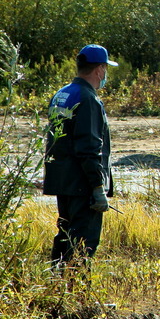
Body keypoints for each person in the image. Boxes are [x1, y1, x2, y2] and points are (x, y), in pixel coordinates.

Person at [43, 44, 117, 268]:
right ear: (99, 70)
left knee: (65, 235)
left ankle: (57, 290)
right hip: (82, 183)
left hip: (63, 180)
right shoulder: (88, 99)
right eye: (105, 69)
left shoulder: (63, 94)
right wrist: (97, 187)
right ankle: (77, 297)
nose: (105, 74)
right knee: (83, 242)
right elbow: (89, 147)